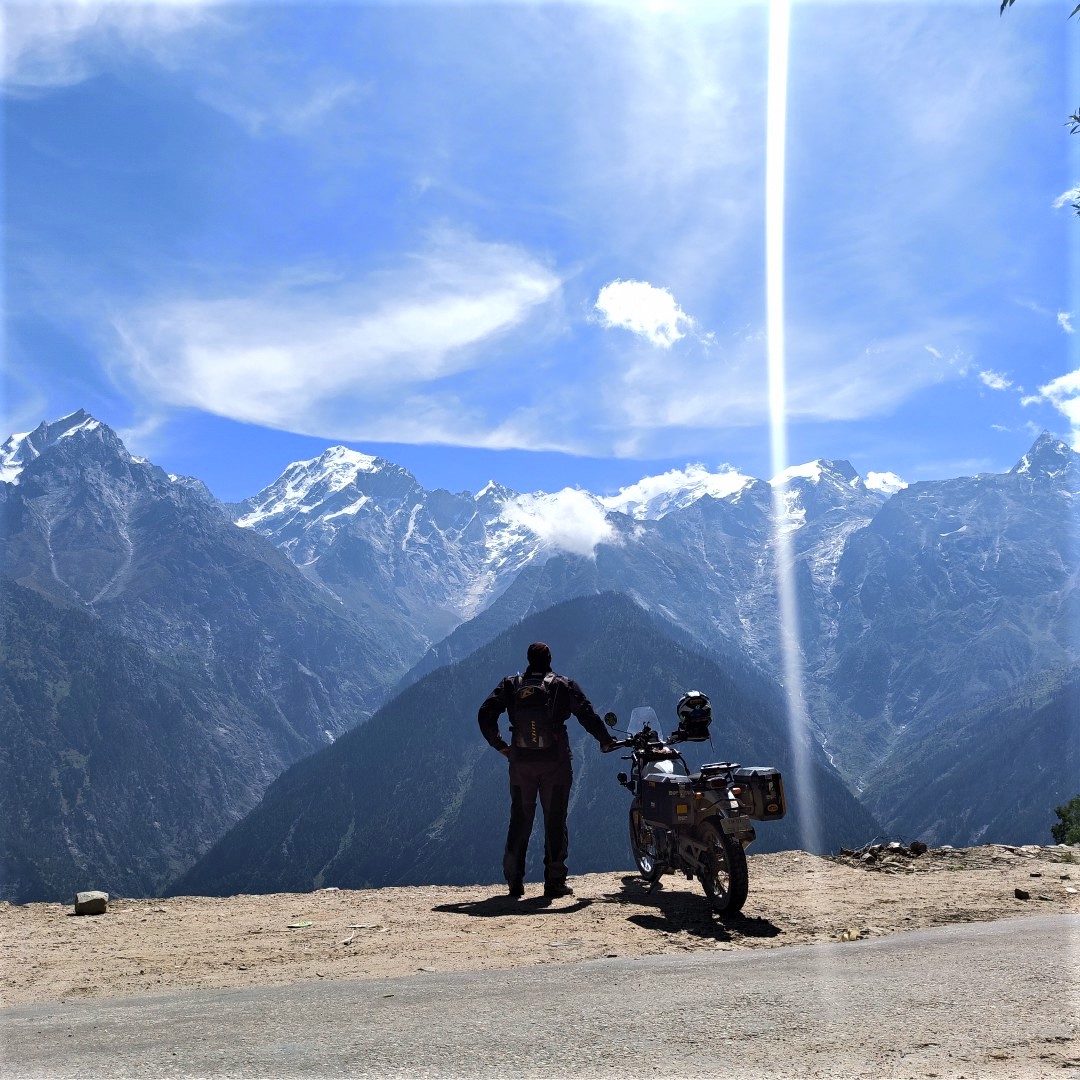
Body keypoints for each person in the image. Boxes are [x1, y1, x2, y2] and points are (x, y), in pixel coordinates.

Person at [477, 641, 617, 899]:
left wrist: (499, 745)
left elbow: (485, 712)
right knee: (555, 819)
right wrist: (605, 740)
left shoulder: (511, 685)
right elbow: (587, 714)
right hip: (555, 765)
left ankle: (514, 882)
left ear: (528, 659)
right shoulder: (563, 685)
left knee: (520, 819)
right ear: (550, 659)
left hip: (521, 765)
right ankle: (554, 882)